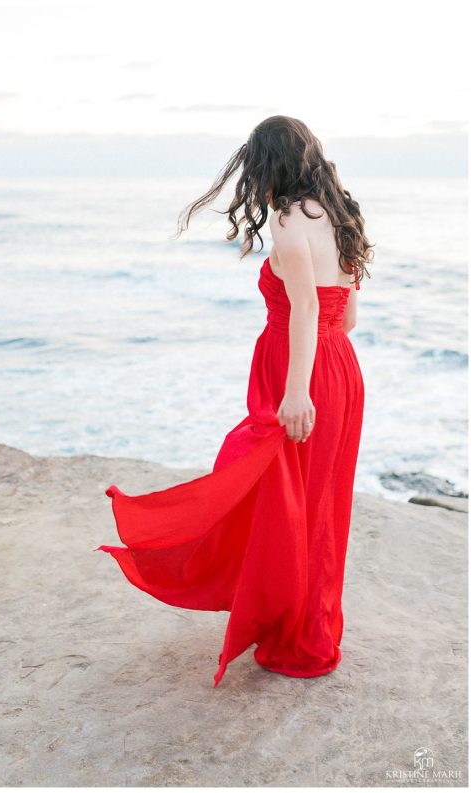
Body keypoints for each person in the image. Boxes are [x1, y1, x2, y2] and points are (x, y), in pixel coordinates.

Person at [94, 115, 373, 688]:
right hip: (339, 368)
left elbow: (304, 310)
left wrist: (298, 392)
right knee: (319, 503)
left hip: (301, 372)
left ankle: (295, 634)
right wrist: (322, 370)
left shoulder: (289, 223)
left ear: (266, 166)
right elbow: (346, 313)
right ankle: (309, 626)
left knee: (284, 500)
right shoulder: (337, 215)